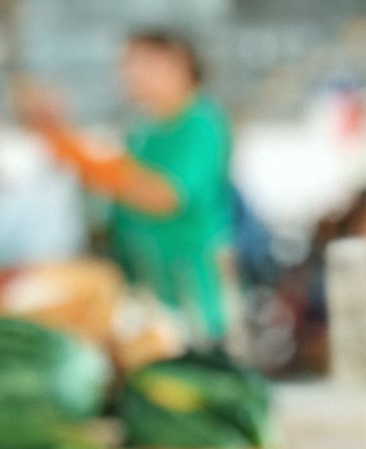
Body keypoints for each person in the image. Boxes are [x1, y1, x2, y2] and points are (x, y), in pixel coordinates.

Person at [22, 30, 235, 343]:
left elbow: (162, 195)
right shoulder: (142, 130)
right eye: (126, 65)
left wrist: (80, 155)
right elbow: (112, 190)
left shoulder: (201, 123)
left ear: (180, 65)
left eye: (144, 63)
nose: (131, 74)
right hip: (143, 285)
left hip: (187, 291)